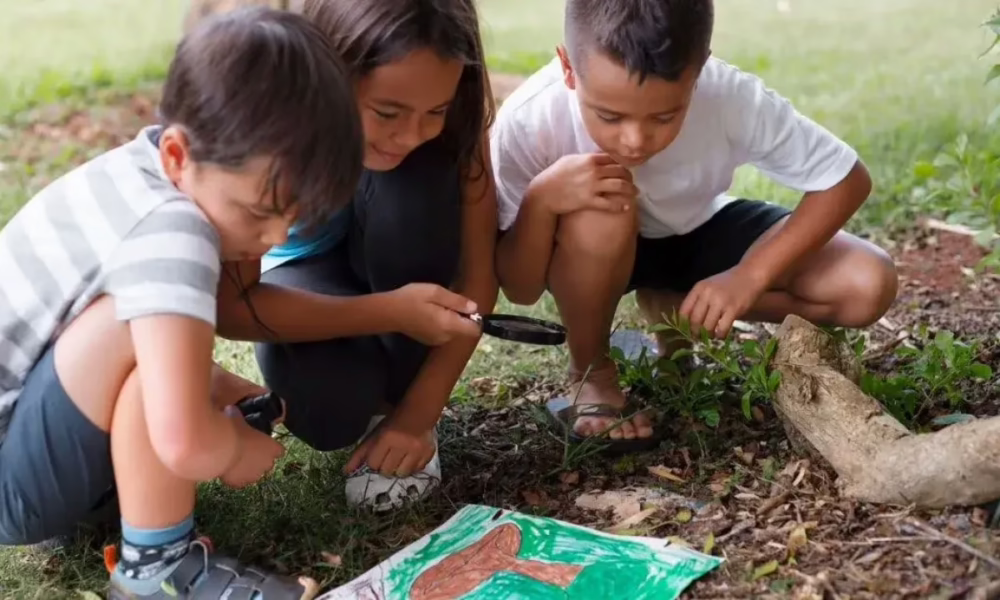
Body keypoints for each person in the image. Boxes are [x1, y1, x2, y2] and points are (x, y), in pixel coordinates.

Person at [0, 8, 367, 598]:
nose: (275, 238)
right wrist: (230, 449)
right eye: (258, 211)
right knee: (146, 357)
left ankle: (114, 507)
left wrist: (216, 387)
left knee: (153, 350)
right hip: (12, 487)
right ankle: (157, 568)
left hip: (29, 444)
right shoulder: (172, 232)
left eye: (294, 216)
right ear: (177, 155)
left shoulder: (140, 175)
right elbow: (179, 437)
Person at [491, 0, 898, 451]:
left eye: (664, 116)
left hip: (697, 228)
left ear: (699, 69)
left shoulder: (730, 95)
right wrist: (542, 200)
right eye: (609, 116)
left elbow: (846, 179)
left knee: (866, 285)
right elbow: (521, 289)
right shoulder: (529, 119)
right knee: (601, 205)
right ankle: (593, 372)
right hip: (590, 247)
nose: (635, 140)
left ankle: (672, 305)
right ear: (568, 67)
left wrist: (750, 275)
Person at [211, 0, 498, 512]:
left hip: (396, 244)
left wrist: (417, 415)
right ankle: (368, 410)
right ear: (330, 71)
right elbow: (233, 307)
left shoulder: (451, 121)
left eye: (435, 111)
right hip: (301, 275)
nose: (410, 134)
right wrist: (390, 310)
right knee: (329, 408)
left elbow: (478, 279)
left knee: (414, 193)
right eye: (387, 113)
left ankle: (399, 415)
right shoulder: (268, 116)